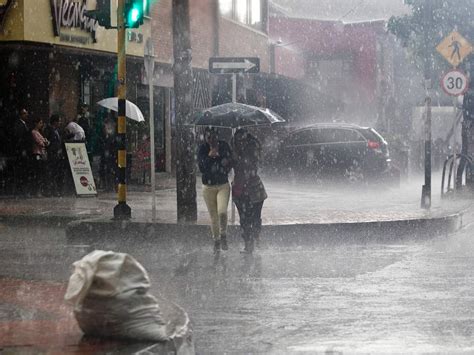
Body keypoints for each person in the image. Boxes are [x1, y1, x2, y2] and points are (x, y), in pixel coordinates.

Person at [231, 129, 267, 254]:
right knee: (244, 219)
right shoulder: (236, 149)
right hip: (239, 190)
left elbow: (249, 166)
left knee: (253, 218)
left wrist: (238, 158)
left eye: (241, 140)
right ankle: (249, 243)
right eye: (237, 141)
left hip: (253, 190)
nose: (239, 143)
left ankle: (254, 238)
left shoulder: (252, 148)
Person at [198, 127, 233, 254]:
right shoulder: (203, 148)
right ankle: (216, 241)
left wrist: (220, 159)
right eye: (209, 138)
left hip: (223, 185)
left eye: (213, 137)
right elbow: (201, 167)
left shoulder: (224, 146)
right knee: (213, 216)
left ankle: (223, 234)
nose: (211, 140)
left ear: (217, 137)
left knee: (222, 212)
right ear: (206, 138)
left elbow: (229, 163)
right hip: (208, 187)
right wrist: (209, 157)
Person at [43, 114, 64, 196]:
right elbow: (46, 141)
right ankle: (51, 191)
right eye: (59, 121)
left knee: (56, 173)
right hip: (51, 155)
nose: (60, 123)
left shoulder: (57, 130)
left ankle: (56, 190)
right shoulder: (49, 130)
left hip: (57, 155)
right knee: (51, 173)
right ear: (55, 122)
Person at [13, 108, 32, 195]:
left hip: (25, 151)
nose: (26, 115)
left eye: (26, 113)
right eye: (24, 114)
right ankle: (20, 191)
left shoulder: (24, 124)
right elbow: (19, 138)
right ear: (21, 115)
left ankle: (23, 190)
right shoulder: (19, 125)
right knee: (21, 171)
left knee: (24, 171)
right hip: (21, 152)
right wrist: (22, 150)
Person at [30, 116, 49, 197]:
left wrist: (45, 142)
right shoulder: (34, 132)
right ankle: (36, 191)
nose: (41, 124)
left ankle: (40, 190)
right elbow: (40, 142)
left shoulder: (40, 132)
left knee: (41, 173)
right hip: (37, 153)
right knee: (38, 173)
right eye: (40, 123)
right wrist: (44, 142)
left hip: (42, 153)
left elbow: (46, 142)